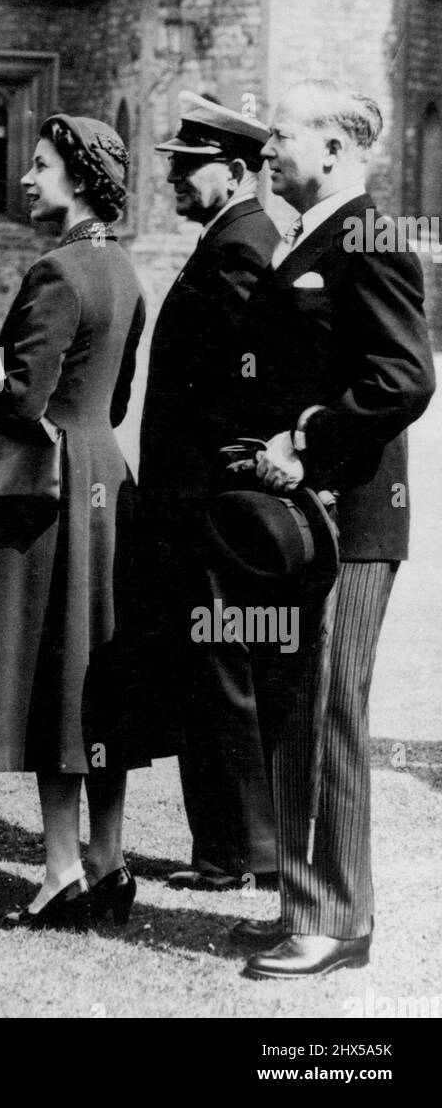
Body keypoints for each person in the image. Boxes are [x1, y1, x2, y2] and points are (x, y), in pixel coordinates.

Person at [221, 80, 435, 979]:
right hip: (297, 523)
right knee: (293, 706)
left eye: (282, 136)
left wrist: (307, 440)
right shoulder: (304, 236)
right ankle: (301, 903)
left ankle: (335, 920)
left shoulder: (372, 236)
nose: (268, 150)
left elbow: (404, 379)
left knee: (326, 710)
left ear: (336, 151)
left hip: (348, 518)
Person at [0, 114, 148, 931]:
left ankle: (61, 869)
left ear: (82, 180)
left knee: (57, 681)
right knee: (102, 680)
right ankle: (109, 858)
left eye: (42, 166)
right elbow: (118, 395)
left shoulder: (57, 271)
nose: (26, 178)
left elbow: (23, 397)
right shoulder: (125, 270)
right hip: (105, 476)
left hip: (49, 491)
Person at [139, 92, 280, 891]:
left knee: (221, 670)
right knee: (214, 668)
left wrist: (225, 465)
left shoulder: (241, 246)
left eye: (188, 170)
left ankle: (235, 851)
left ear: (232, 171)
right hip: (197, 500)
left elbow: (248, 375)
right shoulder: (229, 237)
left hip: (208, 506)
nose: (176, 184)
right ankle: (233, 846)